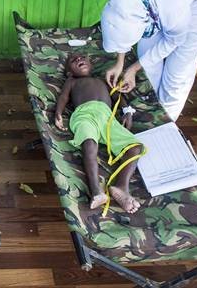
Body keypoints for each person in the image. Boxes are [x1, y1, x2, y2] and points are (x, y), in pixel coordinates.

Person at [54, 53, 144, 214]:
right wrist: (58, 113)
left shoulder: (103, 80)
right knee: (89, 143)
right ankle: (96, 190)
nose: (79, 59)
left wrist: (127, 111)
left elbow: (118, 96)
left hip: (107, 118)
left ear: (92, 65)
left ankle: (122, 186)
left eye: (82, 58)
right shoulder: (72, 81)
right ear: (69, 72)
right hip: (85, 115)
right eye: (73, 61)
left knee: (135, 148)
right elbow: (63, 97)